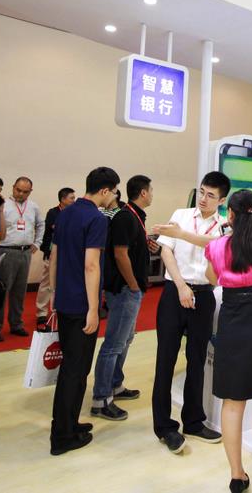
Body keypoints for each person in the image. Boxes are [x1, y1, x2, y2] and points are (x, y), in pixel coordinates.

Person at [158, 190, 252, 493]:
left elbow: (213, 278)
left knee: (232, 404)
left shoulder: (219, 245)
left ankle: (237, 476)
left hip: (233, 323)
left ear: (231, 215)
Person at [151, 171, 231, 454]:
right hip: (175, 292)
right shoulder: (181, 215)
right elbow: (166, 251)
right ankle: (164, 427)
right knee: (166, 360)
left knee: (197, 361)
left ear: (222, 200)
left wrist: (194, 289)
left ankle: (194, 422)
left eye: (211, 195)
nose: (203, 199)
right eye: (202, 192)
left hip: (204, 296)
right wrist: (181, 286)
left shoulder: (224, 227)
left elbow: (215, 247)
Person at [49, 167, 120, 455]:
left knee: (73, 368)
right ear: (104, 190)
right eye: (113, 191)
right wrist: (93, 309)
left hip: (65, 300)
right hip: (81, 305)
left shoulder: (66, 213)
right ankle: (62, 436)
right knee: (75, 370)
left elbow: (54, 256)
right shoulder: (96, 218)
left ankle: (70, 423)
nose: (114, 196)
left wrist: (54, 293)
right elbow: (91, 266)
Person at [92, 175, 155, 420]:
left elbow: (129, 248)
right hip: (124, 290)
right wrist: (133, 284)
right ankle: (101, 399)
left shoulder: (134, 216)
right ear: (143, 193)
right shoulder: (125, 217)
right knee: (113, 344)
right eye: (150, 190)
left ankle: (115, 384)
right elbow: (120, 254)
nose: (152, 194)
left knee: (125, 339)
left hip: (130, 289)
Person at [0, 176, 44, 341]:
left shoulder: (33, 206)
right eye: (18, 190)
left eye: (25, 192)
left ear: (30, 192)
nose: (21, 194)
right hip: (5, 251)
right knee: (0, 290)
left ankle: (16, 324)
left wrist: (37, 243)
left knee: (19, 292)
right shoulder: (2, 205)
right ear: (13, 187)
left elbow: (41, 224)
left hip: (25, 252)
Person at [38, 187, 76, 330]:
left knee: (65, 282)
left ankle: (60, 309)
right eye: (71, 198)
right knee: (47, 282)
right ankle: (41, 312)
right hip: (52, 252)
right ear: (63, 199)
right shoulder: (53, 212)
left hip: (68, 253)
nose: (74, 201)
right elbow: (55, 227)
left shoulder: (74, 213)